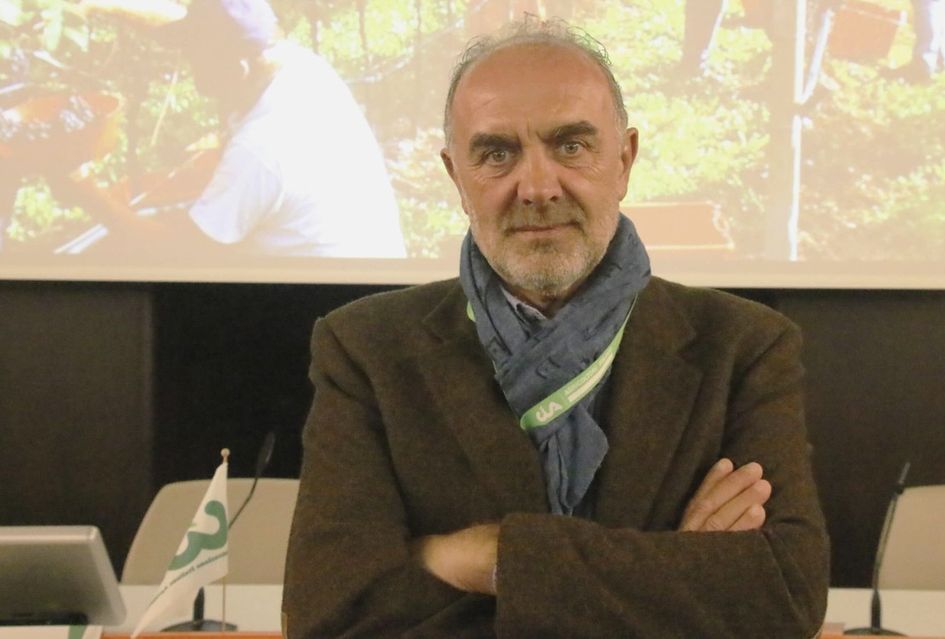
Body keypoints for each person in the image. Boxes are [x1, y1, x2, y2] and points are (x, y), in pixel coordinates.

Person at [283, 17, 828, 638]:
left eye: (570, 146)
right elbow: (331, 613)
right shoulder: (366, 350)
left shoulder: (744, 348)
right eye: (497, 153)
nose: (538, 187)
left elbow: (783, 598)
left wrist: (486, 558)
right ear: (456, 176)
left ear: (623, 160)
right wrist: (673, 571)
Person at [59, 0, 406, 258]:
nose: (190, 65)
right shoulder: (297, 66)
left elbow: (178, 255)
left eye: (197, 57)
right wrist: (106, 4)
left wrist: (84, 190)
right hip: (370, 276)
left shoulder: (262, 148)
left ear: (237, 68)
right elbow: (191, 27)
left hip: (329, 305)